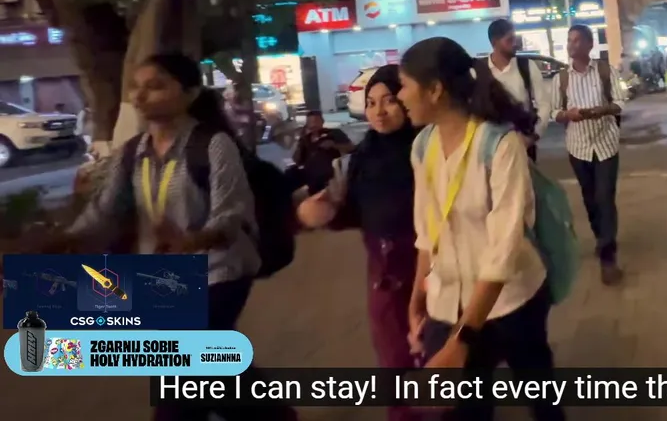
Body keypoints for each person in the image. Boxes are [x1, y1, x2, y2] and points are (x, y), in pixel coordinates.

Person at [50, 52, 294, 421]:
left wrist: (192, 241)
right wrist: (61, 242)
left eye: (155, 86)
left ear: (190, 93)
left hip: (218, 272)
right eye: (136, 87)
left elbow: (230, 214)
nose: (140, 95)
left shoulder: (212, 145)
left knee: (182, 372)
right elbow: (104, 213)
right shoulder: (133, 153)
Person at [396, 37, 563, 421]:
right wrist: (417, 300)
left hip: (511, 302)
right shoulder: (422, 146)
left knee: (542, 400)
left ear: (435, 90)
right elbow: (427, 231)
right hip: (447, 303)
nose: (401, 96)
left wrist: (463, 339)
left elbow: (503, 252)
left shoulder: (500, 146)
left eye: (404, 86)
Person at [296, 65, 425, 421]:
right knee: (395, 359)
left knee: (434, 356)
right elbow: (354, 213)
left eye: (389, 100)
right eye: (371, 103)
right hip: (384, 278)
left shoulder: (429, 150)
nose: (378, 111)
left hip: (433, 273)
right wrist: (324, 212)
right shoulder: (363, 157)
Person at [553, 24, 626, 285]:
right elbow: (553, 112)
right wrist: (567, 114)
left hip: (605, 144)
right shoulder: (562, 78)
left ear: (589, 44)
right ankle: (600, 236)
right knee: (590, 198)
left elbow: (620, 102)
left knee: (605, 197)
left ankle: (608, 257)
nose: (571, 45)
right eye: (569, 40)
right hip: (578, 147)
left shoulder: (605, 71)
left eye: (576, 40)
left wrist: (601, 110)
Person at [480, 18, 550, 162]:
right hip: (489, 147)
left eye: (515, 38)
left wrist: (533, 136)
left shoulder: (527, 67)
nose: (515, 44)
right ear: (494, 42)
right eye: (509, 40)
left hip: (524, 143)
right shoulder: (479, 70)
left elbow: (544, 104)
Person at [289, 110, 353, 195]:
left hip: (330, 178)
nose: (313, 125)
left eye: (316, 121)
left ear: (322, 122)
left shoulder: (334, 133)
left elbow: (351, 148)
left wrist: (333, 145)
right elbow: (297, 161)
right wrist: (300, 142)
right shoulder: (305, 139)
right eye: (310, 122)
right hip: (311, 181)